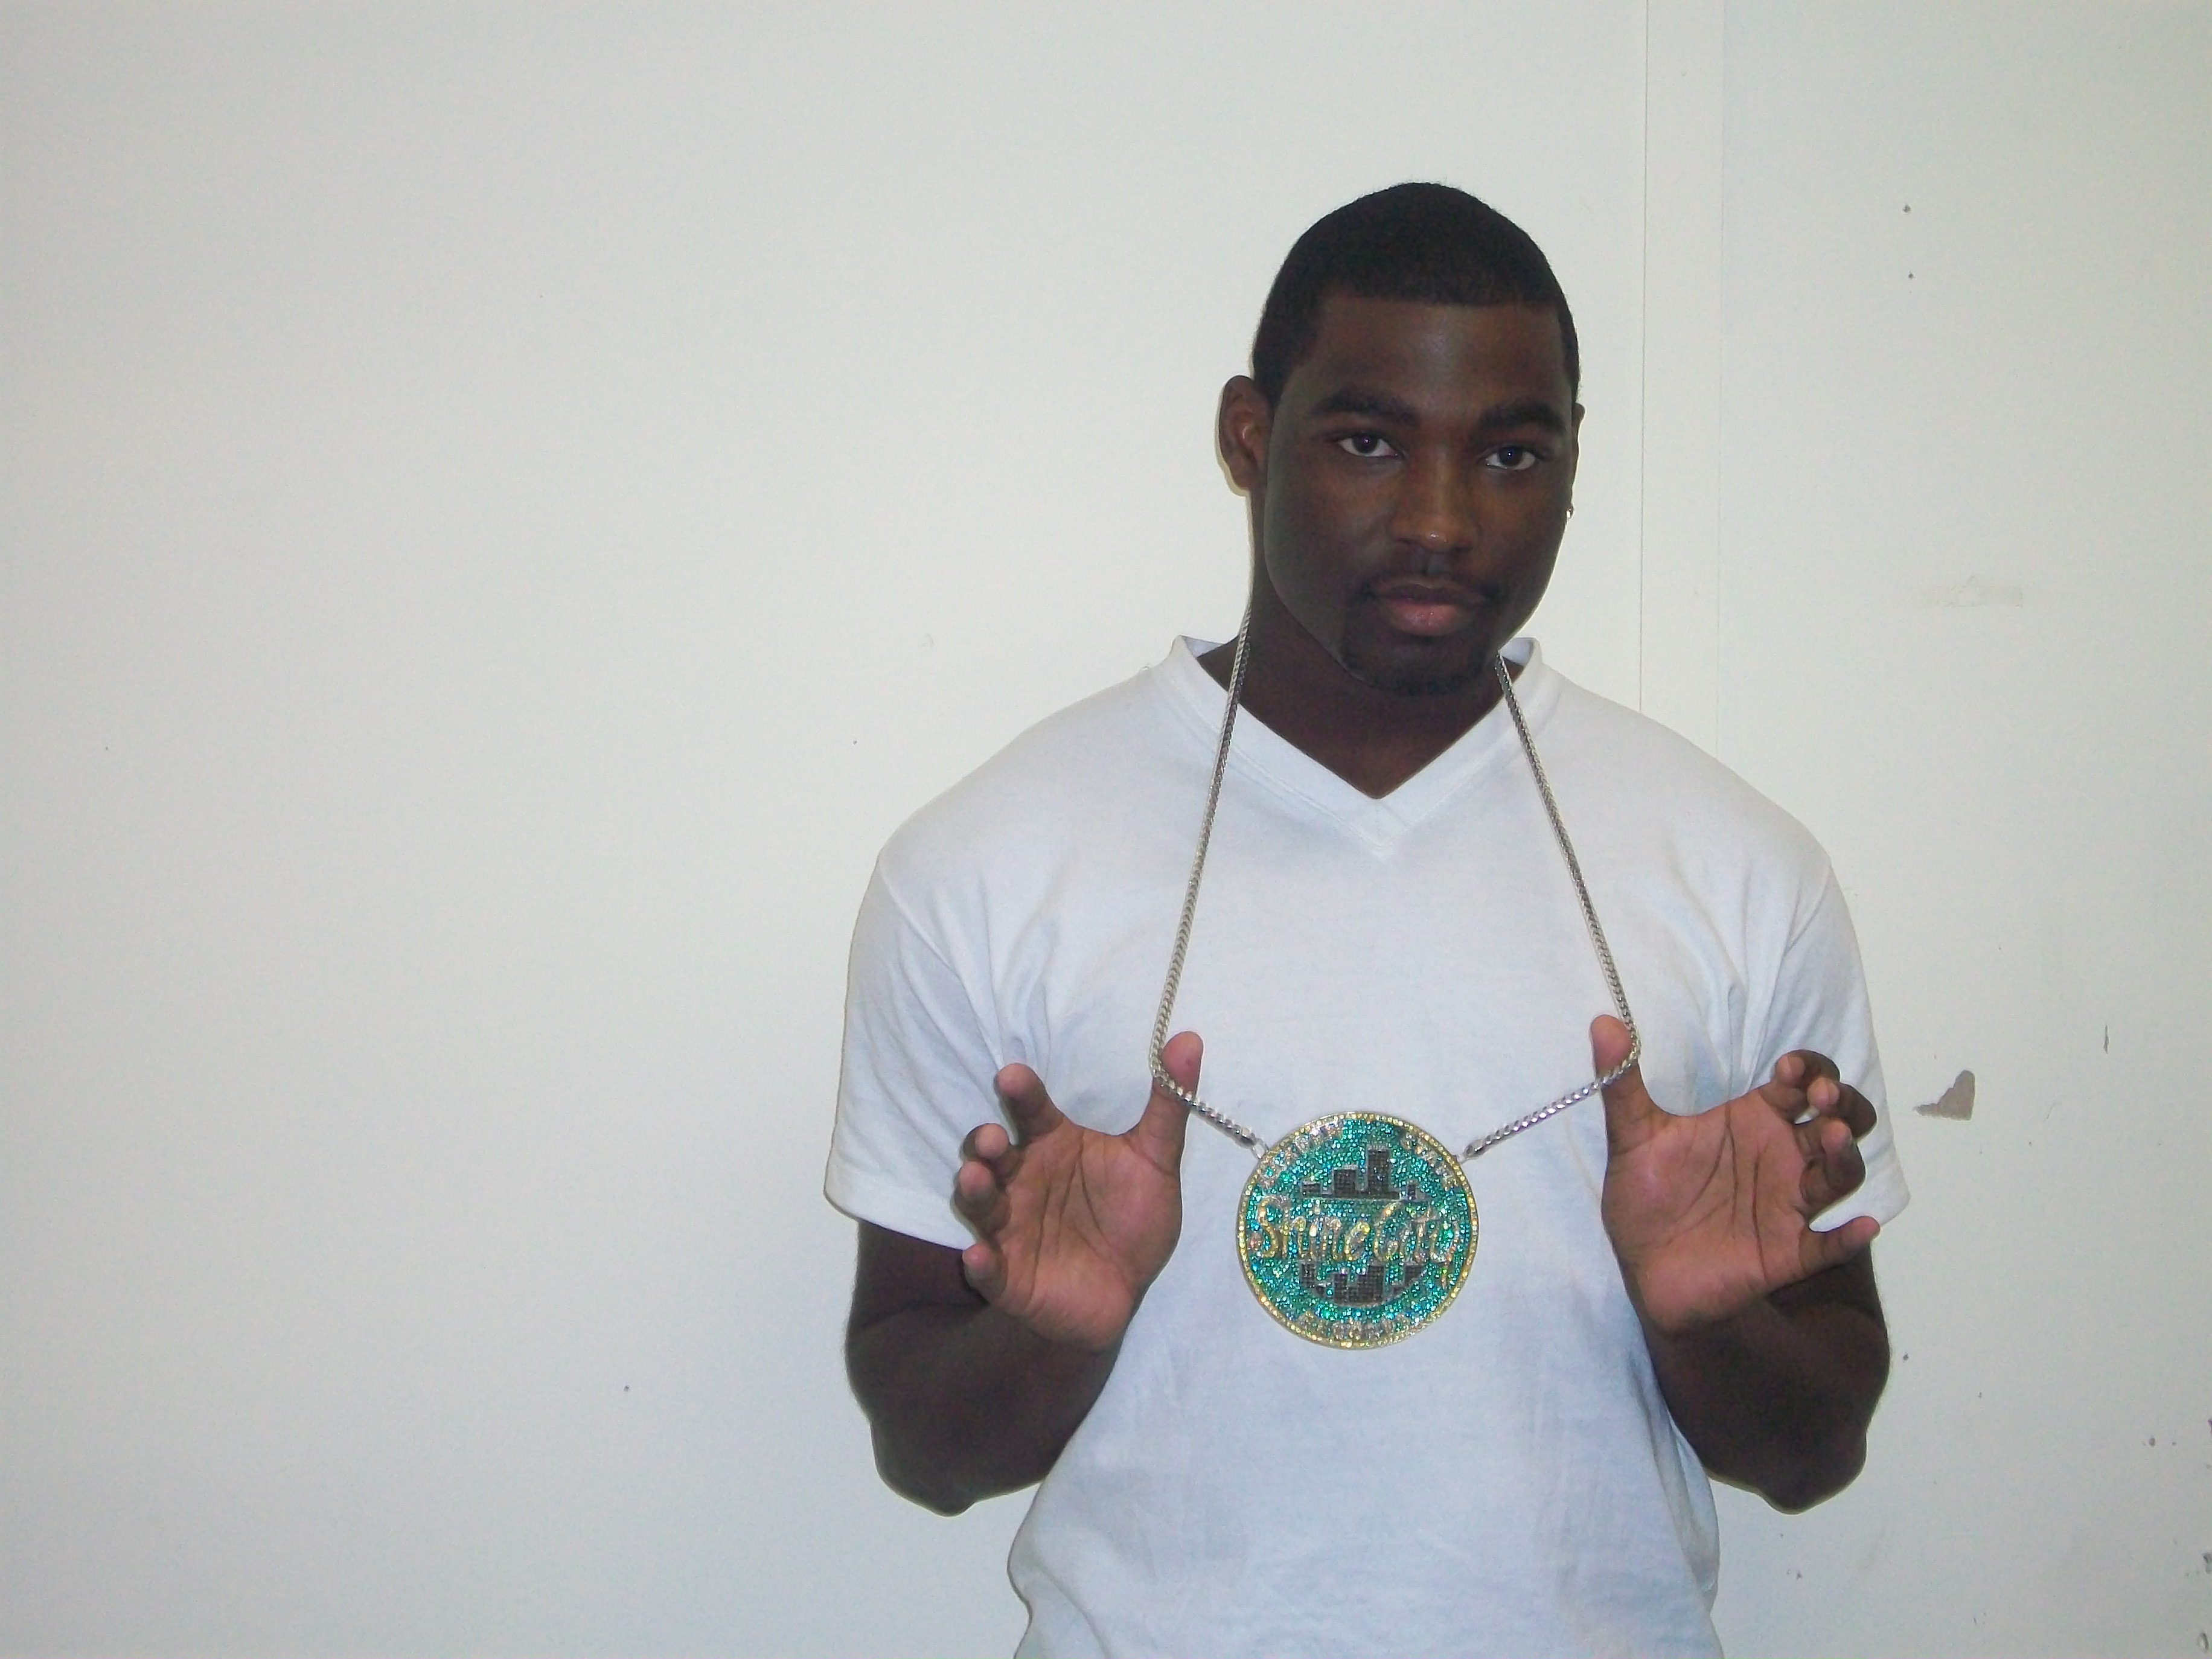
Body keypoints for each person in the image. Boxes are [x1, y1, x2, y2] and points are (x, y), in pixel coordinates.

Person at [825, 182, 1908, 1658]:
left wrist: (1702, 1320)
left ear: (1571, 462)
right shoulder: (986, 863)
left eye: (1510, 453)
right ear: (1247, 436)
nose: (1440, 520)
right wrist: (1044, 1332)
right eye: (1366, 441)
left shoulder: (1735, 867)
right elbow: (927, 1452)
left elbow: (1811, 1452)